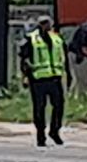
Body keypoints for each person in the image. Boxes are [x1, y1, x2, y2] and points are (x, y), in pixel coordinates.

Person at [19, 15, 69, 147]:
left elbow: (64, 57)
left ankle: (54, 131)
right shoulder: (31, 39)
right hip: (38, 79)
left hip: (55, 78)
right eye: (42, 23)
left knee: (59, 106)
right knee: (39, 108)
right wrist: (24, 76)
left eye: (47, 23)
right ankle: (40, 135)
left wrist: (68, 75)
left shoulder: (57, 38)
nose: (45, 25)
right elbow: (24, 59)